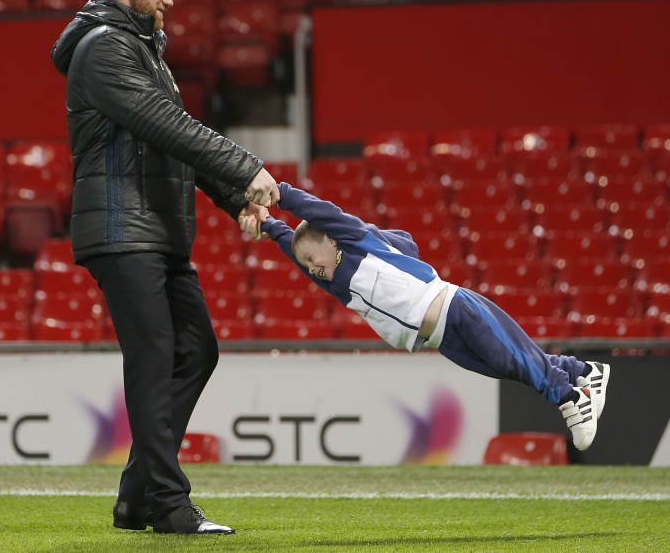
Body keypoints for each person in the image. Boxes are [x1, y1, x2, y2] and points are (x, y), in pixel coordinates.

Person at [50, 0, 278, 536]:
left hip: (156, 232)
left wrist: (236, 201)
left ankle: (136, 496)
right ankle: (170, 504)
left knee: (196, 350)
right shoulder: (103, 51)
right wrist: (247, 166)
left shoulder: (145, 52)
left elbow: (173, 146)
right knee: (155, 356)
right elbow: (168, 125)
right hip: (124, 229)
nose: (171, 2)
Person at [239, 182, 611, 452]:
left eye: (313, 258)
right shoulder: (337, 283)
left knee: (511, 358)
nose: (311, 268)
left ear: (333, 241)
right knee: (508, 367)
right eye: (307, 264)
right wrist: (270, 226)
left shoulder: (356, 242)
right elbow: (296, 249)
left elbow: (323, 213)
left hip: (455, 308)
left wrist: (281, 195)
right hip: (440, 339)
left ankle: (569, 398)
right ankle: (583, 372)